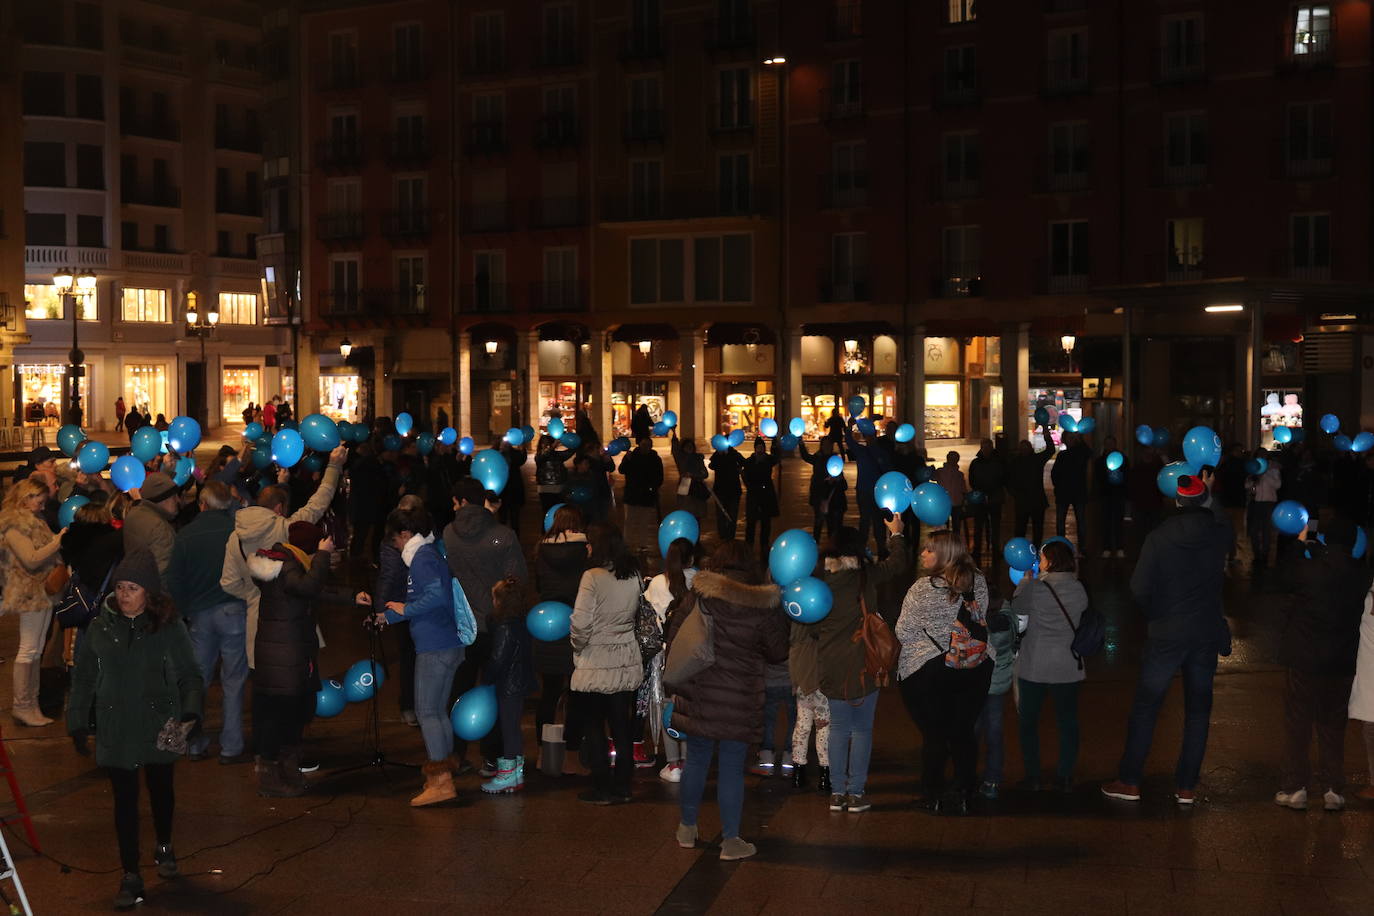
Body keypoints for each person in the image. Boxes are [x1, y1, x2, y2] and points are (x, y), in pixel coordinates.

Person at [67, 549, 203, 910]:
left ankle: (164, 843)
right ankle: (130, 874)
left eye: (133, 588)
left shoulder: (168, 626)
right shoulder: (100, 627)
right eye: (121, 587)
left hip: (164, 723)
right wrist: (77, 719)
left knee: (162, 792)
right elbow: (82, 676)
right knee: (124, 802)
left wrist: (191, 712)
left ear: (150, 593)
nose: (125, 595)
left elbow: (190, 673)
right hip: (116, 725)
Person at [1103, 475, 1233, 805]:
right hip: (1204, 631)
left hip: (1167, 632)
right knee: (1199, 710)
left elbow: (1139, 588)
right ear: (1204, 501)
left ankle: (1130, 780)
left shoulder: (1159, 538)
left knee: (1147, 706)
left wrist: (1158, 613)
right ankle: (1186, 786)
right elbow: (1222, 519)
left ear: (1176, 502)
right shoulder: (1218, 534)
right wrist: (1210, 493)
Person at [670, 540, 788, 861]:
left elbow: (676, 636)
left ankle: (686, 828)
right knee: (732, 768)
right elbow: (778, 652)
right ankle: (731, 841)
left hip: (701, 694)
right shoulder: (763, 602)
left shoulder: (699, 593)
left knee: (696, 760)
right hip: (740, 697)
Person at [366, 506, 463, 806]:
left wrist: (405, 610)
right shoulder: (429, 555)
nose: (394, 546)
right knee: (438, 712)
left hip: (434, 646)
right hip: (447, 643)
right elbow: (423, 600)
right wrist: (387, 617)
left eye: (395, 540)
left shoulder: (421, 560)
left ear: (405, 535)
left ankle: (440, 782)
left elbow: (435, 597)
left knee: (427, 713)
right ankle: (444, 772)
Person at [1275, 519, 1372, 811]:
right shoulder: (1362, 575)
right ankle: (1333, 788)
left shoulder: (1309, 569)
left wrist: (1300, 544)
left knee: (1299, 724)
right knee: (1332, 726)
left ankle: (1296, 788)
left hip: (1304, 660)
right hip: (1341, 663)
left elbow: (1281, 577)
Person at [813, 514, 908, 812]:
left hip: (830, 662)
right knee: (863, 729)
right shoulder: (865, 574)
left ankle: (837, 792)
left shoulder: (819, 578)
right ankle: (856, 793)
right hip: (865, 660)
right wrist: (896, 534)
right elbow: (897, 564)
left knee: (838, 727)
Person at [220, 446, 346, 670]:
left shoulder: (234, 538)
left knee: (265, 686)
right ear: (279, 508)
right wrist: (334, 465)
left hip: (257, 624)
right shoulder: (288, 528)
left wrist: (253, 592)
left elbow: (228, 583)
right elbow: (319, 502)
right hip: (292, 619)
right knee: (296, 680)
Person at [895, 529, 992, 813]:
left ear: (944, 555)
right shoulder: (978, 582)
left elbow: (903, 631)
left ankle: (933, 792)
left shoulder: (921, 589)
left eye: (928, 549)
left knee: (935, 735)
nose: (923, 554)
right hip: (973, 668)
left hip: (929, 671)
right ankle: (964, 789)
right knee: (963, 731)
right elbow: (981, 617)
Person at [444, 477, 528, 773]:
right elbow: (515, 581)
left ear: (462, 502)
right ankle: (492, 757)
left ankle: (455, 753)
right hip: (496, 628)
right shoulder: (503, 536)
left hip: (463, 627)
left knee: (460, 690)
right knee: (494, 693)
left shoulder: (448, 534)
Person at [167, 480, 252, 765]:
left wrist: (183, 611)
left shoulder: (186, 535)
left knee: (197, 682)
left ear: (202, 504)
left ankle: (194, 743)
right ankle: (231, 746)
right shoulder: (236, 533)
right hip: (234, 612)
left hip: (200, 616)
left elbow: (175, 581)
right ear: (227, 503)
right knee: (234, 682)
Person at [248, 522, 332, 798]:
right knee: (280, 715)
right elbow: (308, 587)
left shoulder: (283, 563)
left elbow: (313, 591)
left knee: (291, 713)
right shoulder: (287, 566)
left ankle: (287, 768)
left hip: (287, 653)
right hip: (285, 654)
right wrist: (323, 555)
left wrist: (352, 597)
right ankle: (270, 776)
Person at [569, 522, 644, 804]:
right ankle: (623, 785)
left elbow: (581, 621)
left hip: (596, 659)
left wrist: (578, 646)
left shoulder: (592, 577)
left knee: (593, 724)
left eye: (589, 542)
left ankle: (600, 786)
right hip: (625, 656)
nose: (586, 547)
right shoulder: (633, 574)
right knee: (621, 725)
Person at [1013, 539, 1089, 792]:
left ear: (1051, 561)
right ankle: (1065, 774)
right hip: (1068, 665)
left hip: (1035, 665)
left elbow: (1018, 617)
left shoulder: (1033, 588)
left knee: (1028, 722)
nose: (1039, 563)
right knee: (1068, 722)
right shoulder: (1079, 589)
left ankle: (1033, 775)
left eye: (1042, 558)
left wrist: (1025, 580)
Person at [1, 479, 66, 725]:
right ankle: (22, 705)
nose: (41, 502)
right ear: (23, 497)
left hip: (43, 591)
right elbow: (30, 558)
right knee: (28, 649)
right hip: (29, 593)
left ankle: (32, 704)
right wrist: (57, 541)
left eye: (42, 497)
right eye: (36, 497)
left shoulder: (34, 519)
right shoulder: (14, 524)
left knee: (36, 649)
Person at [533, 505, 590, 773]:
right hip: (575, 626)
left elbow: (538, 585)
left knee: (549, 693)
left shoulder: (540, 550)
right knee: (578, 694)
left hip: (547, 626)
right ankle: (571, 756)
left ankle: (542, 753)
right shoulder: (585, 551)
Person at [644, 537, 696, 782]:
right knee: (689, 705)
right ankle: (689, 760)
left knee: (667, 705)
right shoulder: (700, 581)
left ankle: (673, 764)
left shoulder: (656, 583)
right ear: (692, 559)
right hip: (695, 654)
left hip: (666, 654)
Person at [483, 576, 537, 794]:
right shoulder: (520, 623)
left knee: (509, 729)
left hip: (508, 685)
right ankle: (515, 774)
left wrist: (487, 678)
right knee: (513, 728)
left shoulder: (505, 627)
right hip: (518, 683)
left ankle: (507, 776)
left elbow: (498, 658)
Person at [375, 495, 425, 727]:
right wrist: (381, 609)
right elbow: (389, 576)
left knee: (412, 659)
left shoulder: (401, 540)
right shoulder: (395, 543)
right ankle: (410, 706)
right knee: (411, 659)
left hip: (409, 606)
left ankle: (412, 706)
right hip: (405, 607)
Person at [60, 494, 123, 662]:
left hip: (84, 600)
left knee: (84, 639)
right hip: (102, 599)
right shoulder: (108, 543)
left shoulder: (72, 542)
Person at [976, 590, 1016, 799]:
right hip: (997, 685)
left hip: (974, 684)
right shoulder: (1007, 614)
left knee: (971, 731)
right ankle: (992, 780)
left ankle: (967, 775)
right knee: (994, 732)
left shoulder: (974, 615)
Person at [789, 613, 830, 793]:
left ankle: (798, 772)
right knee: (823, 727)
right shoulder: (822, 640)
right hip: (821, 688)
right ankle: (825, 774)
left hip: (802, 686)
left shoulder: (796, 639)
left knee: (802, 727)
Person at [845, 421, 892, 556]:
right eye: (868, 436)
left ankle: (879, 547)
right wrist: (849, 428)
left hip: (874, 492)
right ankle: (866, 547)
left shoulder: (875, 452)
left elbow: (888, 470)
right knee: (867, 520)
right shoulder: (865, 451)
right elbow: (850, 441)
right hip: (866, 491)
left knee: (874, 520)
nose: (869, 438)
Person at [122, 472, 182, 579]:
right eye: (174, 496)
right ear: (162, 499)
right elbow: (162, 573)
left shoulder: (134, 515)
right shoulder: (159, 527)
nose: (178, 500)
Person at [619, 436, 664, 555]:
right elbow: (622, 470)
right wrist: (627, 460)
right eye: (643, 445)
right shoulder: (631, 456)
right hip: (632, 493)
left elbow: (659, 477)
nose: (645, 448)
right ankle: (627, 544)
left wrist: (653, 488)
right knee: (629, 520)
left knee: (644, 521)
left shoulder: (655, 459)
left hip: (646, 495)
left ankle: (642, 545)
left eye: (648, 445)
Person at [1008, 434, 1054, 546]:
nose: (1024, 450)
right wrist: (1014, 494)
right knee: (1023, 528)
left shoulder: (1033, 460)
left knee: (1032, 529)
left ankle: (1030, 548)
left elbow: (1050, 450)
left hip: (1033, 501)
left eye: (1025, 448)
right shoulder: (1018, 462)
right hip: (1028, 500)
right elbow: (1008, 480)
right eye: (1022, 448)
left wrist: (1045, 431)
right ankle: (1025, 548)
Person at [798, 438, 847, 542]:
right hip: (819, 494)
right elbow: (806, 457)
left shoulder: (834, 459)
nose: (826, 447)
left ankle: (832, 546)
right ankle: (816, 544)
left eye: (828, 445)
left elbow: (842, 480)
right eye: (824, 445)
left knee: (831, 523)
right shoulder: (817, 457)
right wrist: (801, 444)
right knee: (818, 521)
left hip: (832, 496)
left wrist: (837, 480)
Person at [967, 439, 1006, 564]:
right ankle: (977, 549)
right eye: (984, 447)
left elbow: (1003, 478)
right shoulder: (976, 463)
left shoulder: (998, 462)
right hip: (981, 499)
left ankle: (995, 549)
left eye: (988, 447)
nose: (987, 450)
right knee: (979, 526)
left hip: (994, 498)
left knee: (995, 526)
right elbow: (972, 479)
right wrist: (979, 491)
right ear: (981, 448)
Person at [1051, 431, 1091, 549]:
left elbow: (1088, 452)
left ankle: (1082, 548)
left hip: (1077, 493)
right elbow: (1054, 474)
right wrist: (1058, 487)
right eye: (1069, 438)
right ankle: (1062, 547)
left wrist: (1081, 439)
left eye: (1073, 438)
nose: (1071, 440)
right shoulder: (1062, 455)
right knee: (1061, 523)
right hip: (1064, 493)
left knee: (1081, 522)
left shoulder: (1081, 453)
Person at [742, 436, 781, 556]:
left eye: (762, 447)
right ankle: (749, 545)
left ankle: (764, 545)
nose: (760, 449)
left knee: (766, 522)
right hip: (754, 494)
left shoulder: (768, 459)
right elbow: (745, 475)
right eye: (758, 447)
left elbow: (777, 458)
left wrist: (774, 445)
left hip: (766, 494)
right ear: (755, 448)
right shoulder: (749, 461)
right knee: (751, 523)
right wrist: (750, 486)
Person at [1245, 450, 1282, 570]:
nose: (1261, 457)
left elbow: (1278, 485)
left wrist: (1265, 474)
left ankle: (1265, 554)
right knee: (1254, 531)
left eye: (1263, 455)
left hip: (1268, 503)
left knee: (1266, 530)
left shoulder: (1273, 469)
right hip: (1255, 503)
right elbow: (1246, 485)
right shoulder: (1253, 468)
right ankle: (1257, 554)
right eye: (1259, 455)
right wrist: (1254, 479)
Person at [708, 439, 747, 541]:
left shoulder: (734, 454)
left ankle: (730, 538)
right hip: (720, 490)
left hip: (733, 490)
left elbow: (745, 463)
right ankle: (723, 538)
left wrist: (738, 468)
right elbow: (711, 466)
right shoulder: (717, 455)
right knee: (721, 516)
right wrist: (719, 454)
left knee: (732, 516)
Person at [1097, 436, 1129, 559]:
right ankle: (1107, 548)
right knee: (1106, 522)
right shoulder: (1100, 461)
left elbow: (1127, 475)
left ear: (1115, 445)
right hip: (1106, 495)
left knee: (1118, 523)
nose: (1109, 446)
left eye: (1111, 443)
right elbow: (1098, 477)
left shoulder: (1123, 459)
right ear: (1104, 445)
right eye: (1107, 444)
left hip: (1119, 495)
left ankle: (1120, 547)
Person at [670, 430, 710, 523]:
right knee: (684, 510)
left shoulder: (698, 458)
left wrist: (694, 475)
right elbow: (675, 449)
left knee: (697, 514)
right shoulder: (680, 458)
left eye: (691, 446)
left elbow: (705, 474)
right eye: (687, 446)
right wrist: (674, 434)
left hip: (696, 486)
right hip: (685, 484)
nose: (689, 448)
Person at [933, 451, 969, 543]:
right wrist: (965, 500)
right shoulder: (959, 474)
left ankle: (945, 544)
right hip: (956, 502)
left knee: (944, 527)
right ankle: (955, 545)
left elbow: (932, 477)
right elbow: (963, 489)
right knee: (956, 527)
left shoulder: (940, 471)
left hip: (945, 503)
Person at [535, 435, 574, 512]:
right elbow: (542, 457)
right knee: (547, 512)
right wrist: (552, 447)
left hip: (558, 487)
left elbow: (570, 452)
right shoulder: (539, 455)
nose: (545, 445)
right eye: (543, 443)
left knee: (558, 513)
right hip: (545, 488)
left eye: (547, 443)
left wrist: (571, 442)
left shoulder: (558, 455)